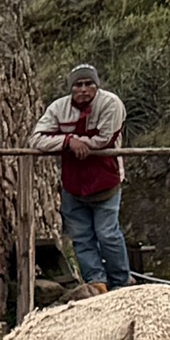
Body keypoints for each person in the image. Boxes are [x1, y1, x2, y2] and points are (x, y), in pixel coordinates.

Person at [33, 64, 130, 295]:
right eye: (78, 85)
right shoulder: (59, 108)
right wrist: (68, 142)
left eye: (89, 84)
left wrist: (70, 142)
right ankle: (96, 282)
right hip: (74, 185)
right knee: (82, 237)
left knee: (107, 234)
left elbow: (105, 139)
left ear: (97, 86)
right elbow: (36, 139)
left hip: (105, 181)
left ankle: (121, 282)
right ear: (71, 88)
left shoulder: (111, 104)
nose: (83, 89)